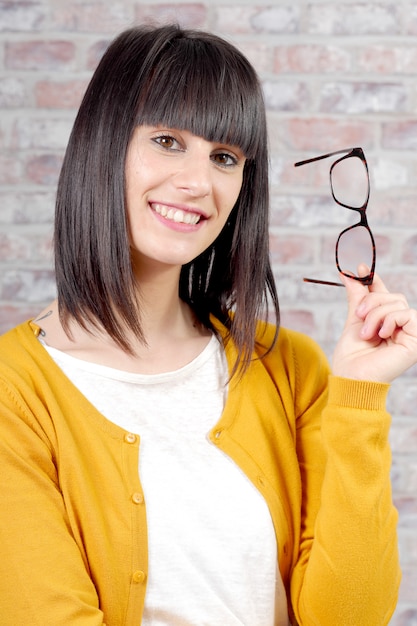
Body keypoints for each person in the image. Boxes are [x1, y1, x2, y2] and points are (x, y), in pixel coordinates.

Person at [0, 23, 416, 626]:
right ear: (103, 144)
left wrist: (361, 393)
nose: (199, 183)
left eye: (225, 157)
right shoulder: (15, 391)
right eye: (168, 141)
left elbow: (349, 616)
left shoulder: (287, 368)